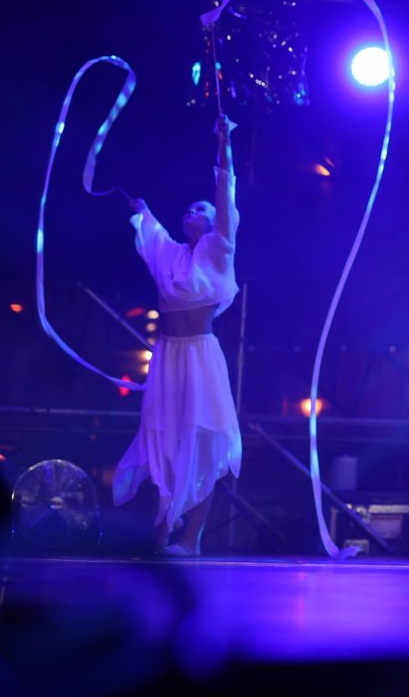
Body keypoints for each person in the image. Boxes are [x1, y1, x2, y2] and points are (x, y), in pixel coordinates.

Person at [112, 120, 243, 557]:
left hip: (201, 357)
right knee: (163, 441)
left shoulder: (219, 249)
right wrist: (141, 209)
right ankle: (161, 529)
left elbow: (224, 194)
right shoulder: (169, 254)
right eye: (188, 209)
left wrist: (224, 145)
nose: (192, 212)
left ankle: (192, 538)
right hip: (167, 356)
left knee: (203, 441)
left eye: (200, 209)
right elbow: (150, 230)